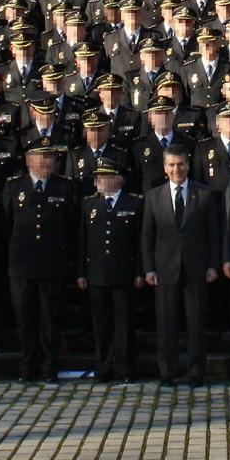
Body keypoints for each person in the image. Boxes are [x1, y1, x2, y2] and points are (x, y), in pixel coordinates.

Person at [142, 144, 222, 386]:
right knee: (166, 324)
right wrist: (149, 268)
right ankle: (167, 372)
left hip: (196, 268)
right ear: (165, 168)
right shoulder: (153, 197)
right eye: (172, 165)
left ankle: (196, 373)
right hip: (165, 269)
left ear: (188, 165)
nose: (177, 169)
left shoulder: (204, 194)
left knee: (196, 324)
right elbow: (147, 236)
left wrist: (213, 265)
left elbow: (213, 233)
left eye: (180, 164)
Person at [1, 142, 77, 383]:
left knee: (50, 320)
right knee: (25, 318)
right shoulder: (14, 187)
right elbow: (4, 224)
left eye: (50, 157)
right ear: (28, 160)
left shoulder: (64, 187)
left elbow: (71, 224)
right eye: (41, 157)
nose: (47, 162)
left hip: (52, 263)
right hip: (22, 264)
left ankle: (49, 367)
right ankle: (27, 366)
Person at [77, 159, 144, 382]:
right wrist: (81, 272)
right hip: (97, 273)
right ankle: (103, 368)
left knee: (124, 324)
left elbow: (139, 241)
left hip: (123, 272)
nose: (99, 180)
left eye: (105, 176)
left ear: (118, 179)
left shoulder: (133, 203)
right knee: (101, 325)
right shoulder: (89, 204)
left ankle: (125, 369)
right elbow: (83, 240)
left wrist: (139, 271)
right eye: (98, 177)